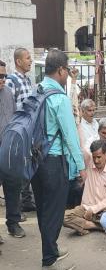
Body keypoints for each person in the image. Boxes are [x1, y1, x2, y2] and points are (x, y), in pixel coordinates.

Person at [32, 49, 86, 269]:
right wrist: (81, 166)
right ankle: (50, 260)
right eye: (66, 70)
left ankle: (50, 250)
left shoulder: (35, 91)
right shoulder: (59, 99)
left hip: (34, 159)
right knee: (54, 210)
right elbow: (71, 137)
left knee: (43, 209)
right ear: (61, 70)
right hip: (53, 161)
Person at [64, 140, 106, 236]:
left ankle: (84, 225)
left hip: (104, 209)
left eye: (99, 157)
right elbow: (81, 150)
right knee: (64, 217)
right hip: (86, 207)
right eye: (94, 157)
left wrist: (93, 210)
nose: (96, 160)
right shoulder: (89, 164)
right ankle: (97, 226)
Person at [6, 48, 36, 213]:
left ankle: (26, 201)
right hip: (17, 131)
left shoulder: (27, 80)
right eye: (27, 58)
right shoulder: (11, 81)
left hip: (28, 130)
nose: (30, 60)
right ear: (18, 61)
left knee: (26, 165)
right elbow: (8, 108)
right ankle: (16, 208)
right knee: (16, 170)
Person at [0, 60, 23, 244]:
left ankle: (13, 222)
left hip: (9, 149)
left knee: (13, 186)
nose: (2, 79)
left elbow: (15, 117)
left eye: (4, 76)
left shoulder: (8, 93)